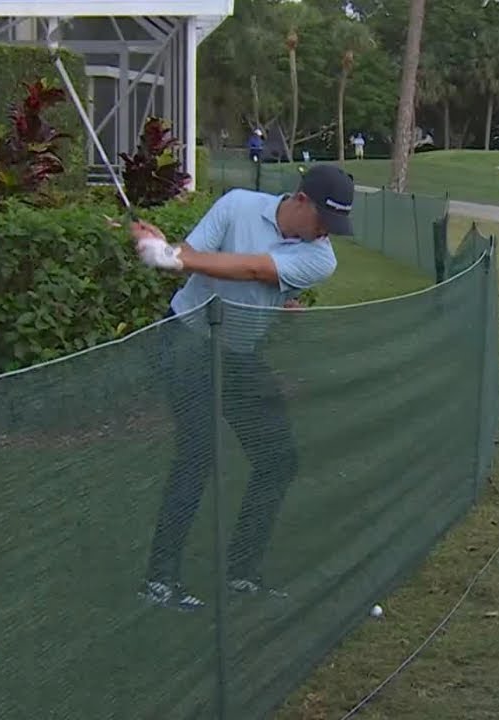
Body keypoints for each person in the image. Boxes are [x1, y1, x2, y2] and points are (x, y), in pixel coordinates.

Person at [128, 164, 356, 611]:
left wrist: (175, 256)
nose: (327, 233)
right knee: (198, 454)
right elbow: (192, 256)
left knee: (278, 458)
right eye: (324, 221)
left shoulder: (321, 257)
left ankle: (241, 573)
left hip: (238, 354)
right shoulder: (237, 205)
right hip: (187, 339)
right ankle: (159, 580)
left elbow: (253, 270)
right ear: (301, 200)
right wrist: (165, 249)